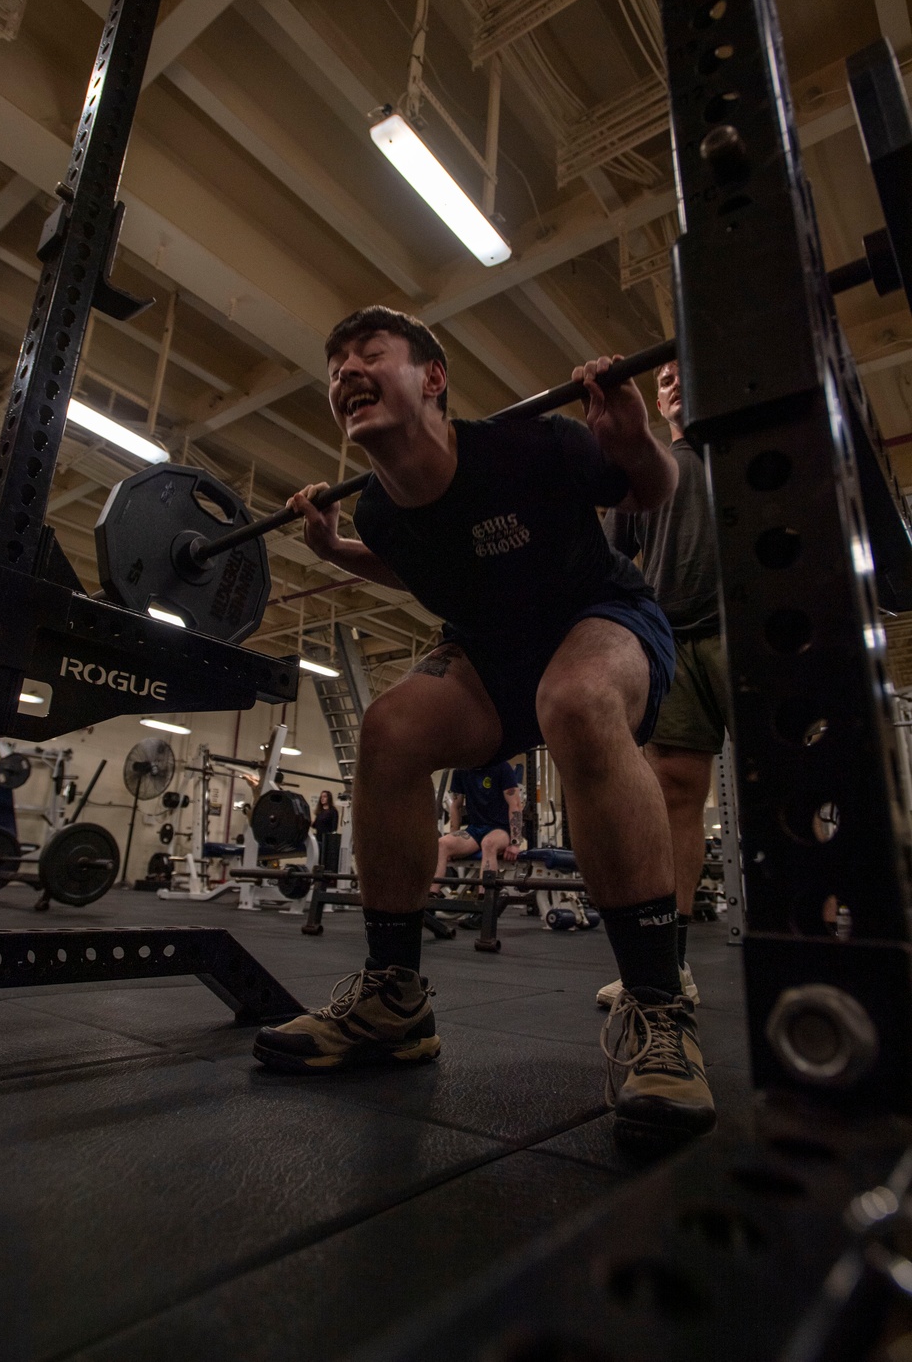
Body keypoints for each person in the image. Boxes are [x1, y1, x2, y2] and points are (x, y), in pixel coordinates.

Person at [253, 307, 715, 1146]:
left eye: (370, 353)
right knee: (389, 731)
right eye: (336, 365)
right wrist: (333, 553)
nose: (346, 371)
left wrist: (633, 439)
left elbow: (654, 491)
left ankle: (658, 1010)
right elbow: (405, 563)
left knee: (573, 701)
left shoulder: (531, 446)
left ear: (433, 377)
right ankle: (395, 999)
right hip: (491, 654)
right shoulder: (386, 515)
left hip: (602, 614)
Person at [597, 356, 730, 1011]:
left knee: (787, 787)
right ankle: (668, 970)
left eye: (686, 371)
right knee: (675, 790)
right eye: (665, 378)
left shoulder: (737, 442)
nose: (674, 382)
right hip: (671, 638)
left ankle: (817, 952)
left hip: (748, 627)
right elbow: (613, 558)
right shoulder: (644, 466)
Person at [432, 761, 522, 892]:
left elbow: (515, 805)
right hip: (475, 830)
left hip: (501, 830)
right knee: (442, 844)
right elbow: (455, 806)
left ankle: (484, 900)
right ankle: (431, 896)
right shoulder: (461, 770)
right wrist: (453, 836)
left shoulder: (502, 767)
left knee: (488, 843)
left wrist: (515, 843)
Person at [313, 790, 339, 868]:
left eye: (324, 796)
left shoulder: (333, 811)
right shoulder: (320, 811)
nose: (322, 798)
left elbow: (334, 828)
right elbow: (316, 825)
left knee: (325, 860)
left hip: (327, 840)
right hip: (318, 839)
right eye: (321, 797)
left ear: (329, 798)